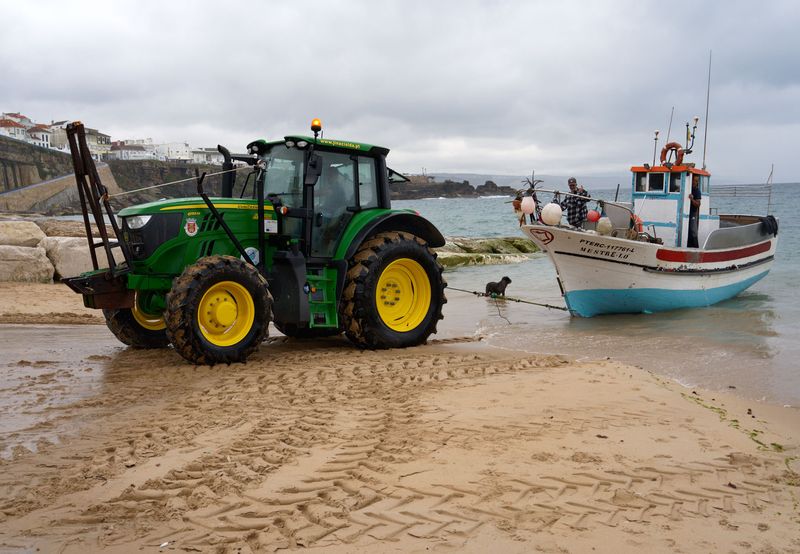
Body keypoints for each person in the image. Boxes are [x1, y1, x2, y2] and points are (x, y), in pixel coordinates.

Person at [687, 174, 702, 248]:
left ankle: (696, 248)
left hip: (693, 213)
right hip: (686, 213)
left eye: (696, 181)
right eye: (693, 180)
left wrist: (692, 199)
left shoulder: (697, 191)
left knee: (693, 231)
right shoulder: (687, 188)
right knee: (688, 230)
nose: (694, 182)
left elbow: (698, 204)